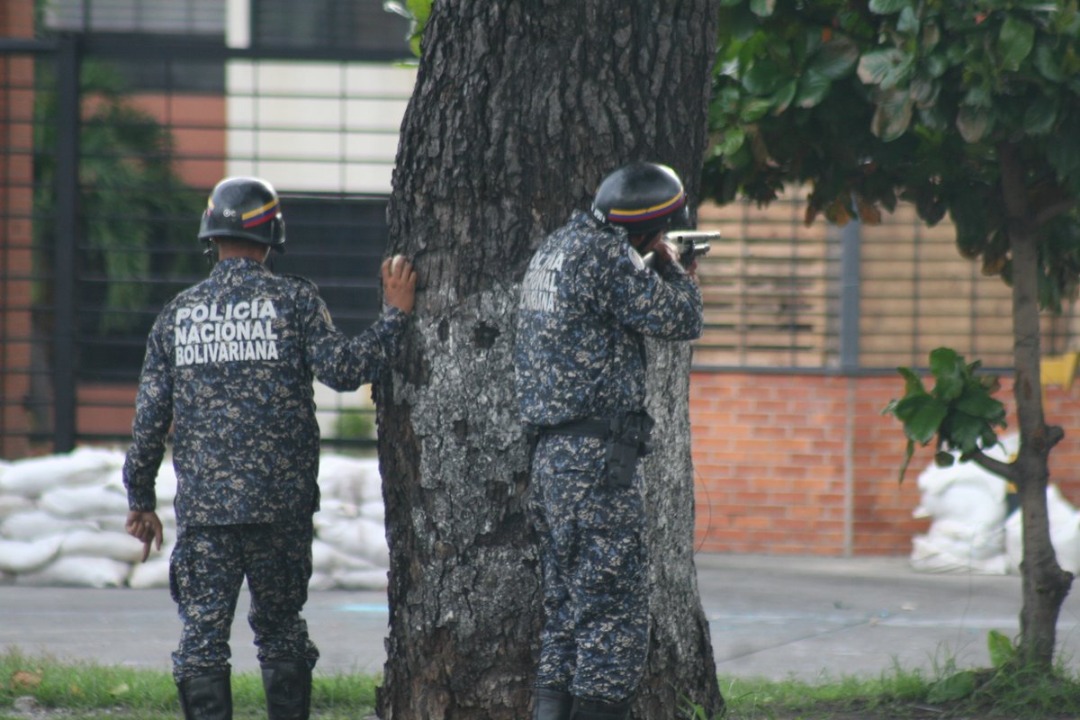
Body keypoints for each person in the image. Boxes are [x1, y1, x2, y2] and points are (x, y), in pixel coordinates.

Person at [122, 176, 416, 720]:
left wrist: (140, 501)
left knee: (202, 638)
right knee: (280, 632)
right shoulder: (294, 300)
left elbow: (148, 423)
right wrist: (395, 316)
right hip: (280, 509)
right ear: (272, 235)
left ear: (210, 236)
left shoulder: (176, 316)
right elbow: (346, 370)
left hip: (208, 514)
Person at [514, 161, 704, 720]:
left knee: (567, 613)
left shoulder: (558, 246)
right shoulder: (606, 255)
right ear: (648, 231)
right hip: (596, 461)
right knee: (613, 618)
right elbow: (680, 319)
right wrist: (674, 270)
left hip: (553, 457)